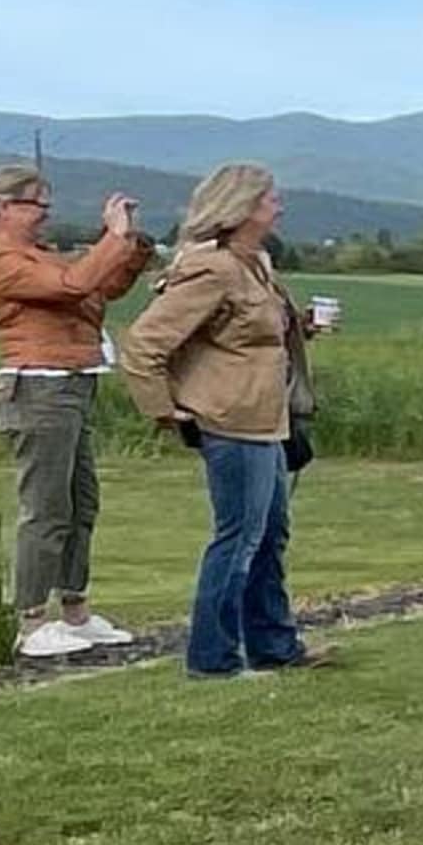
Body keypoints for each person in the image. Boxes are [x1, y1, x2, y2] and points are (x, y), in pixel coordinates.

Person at [116, 161, 320, 679]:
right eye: (272, 197)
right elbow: (143, 343)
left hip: (267, 420)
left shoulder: (257, 264)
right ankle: (212, 658)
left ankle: (274, 644)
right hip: (230, 421)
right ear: (244, 207)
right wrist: (163, 407)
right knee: (239, 539)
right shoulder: (212, 269)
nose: (280, 205)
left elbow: (244, 332)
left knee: (269, 536)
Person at [0, 160, 154, 659]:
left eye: (46, 204)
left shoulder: (36, 254)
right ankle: (30, 622)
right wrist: (110, 240)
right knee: (46, 508)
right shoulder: (1, 260)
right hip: (38, 387)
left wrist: (128, 245)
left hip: (73, 383)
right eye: (34, 205)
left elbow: (101, 286)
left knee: (80, 503)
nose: (44, 215)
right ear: (4, 208)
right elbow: (73, 286)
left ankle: (75, 612)